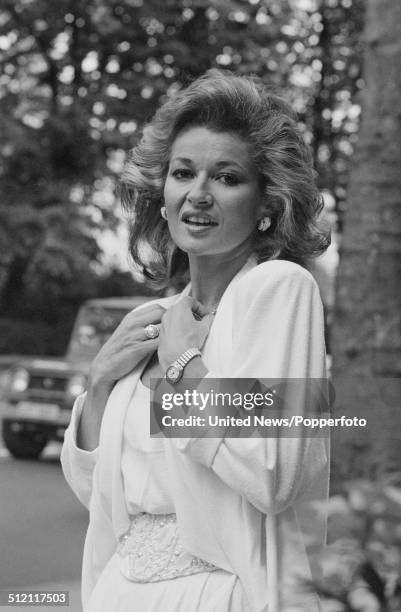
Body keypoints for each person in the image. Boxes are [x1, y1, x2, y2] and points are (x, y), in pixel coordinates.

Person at [61, 69, 331, 612]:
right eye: (183, 173)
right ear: (162, 195)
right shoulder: (150, 319)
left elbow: (275, 474)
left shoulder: (277, 290)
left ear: (266, 205)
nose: (199, 194)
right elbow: (99, 494)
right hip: (119, 590)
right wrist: (98, 388)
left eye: (227, 178)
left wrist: (184, 368)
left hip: (219, 592)